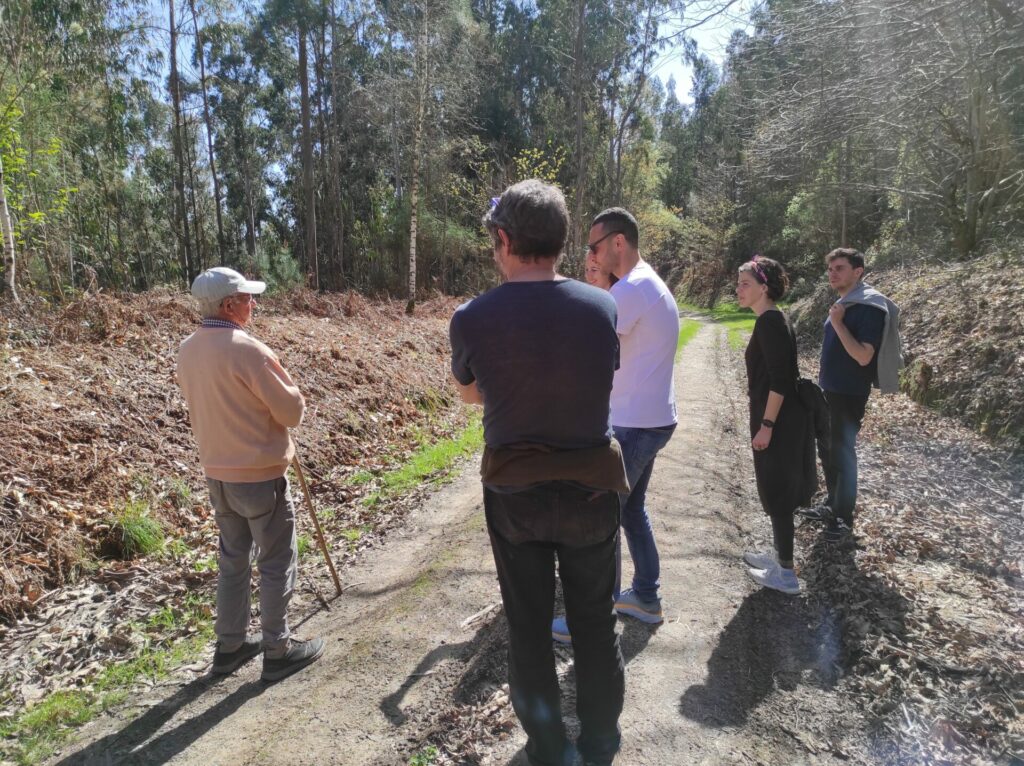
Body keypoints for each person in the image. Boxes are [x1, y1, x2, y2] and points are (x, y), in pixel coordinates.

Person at [449, 180, 627, 766]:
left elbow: (471, 396)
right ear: (560, 240)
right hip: (592, 488)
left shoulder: (471, 318)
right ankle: (600, 745)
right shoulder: (603, 306)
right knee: (595, 624)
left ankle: (550, 751)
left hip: (515, 489)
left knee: (527, 627)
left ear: (503, 239)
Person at [177, 267, 325, 682]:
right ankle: (277, 649)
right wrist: (294, 393)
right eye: (246, 297)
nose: (252, 303)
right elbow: (291, 413)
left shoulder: (187, 350)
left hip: (217, 476)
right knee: (276, 560)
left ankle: (230, 646)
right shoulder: (249, 350)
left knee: (233, 561)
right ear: (228, 305)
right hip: (260, 476)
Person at [553, 207, 679, 641]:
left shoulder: (635, 287)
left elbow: (580, 337)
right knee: (631, 511)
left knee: (600, 520)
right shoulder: (640, 285)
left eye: (594, 246)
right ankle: (644, 596)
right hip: (648, 419)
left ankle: (591, 618)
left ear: (618, 243)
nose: (590, 254)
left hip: (634, 426)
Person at [800, 248, 902, 542]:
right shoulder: (846, 302)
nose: (832, 273)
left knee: (843, 455)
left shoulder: (868, 306)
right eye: (830, 269)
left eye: (840, 268)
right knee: (829, 452)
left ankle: (843, 521)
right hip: (831, 389)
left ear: (858, 272)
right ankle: (832, 505)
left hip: (849, 392)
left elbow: (862, 356)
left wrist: (838, 324)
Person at [735, 256, 810, 594]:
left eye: (746, 283)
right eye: (738, 283)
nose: (739, 289)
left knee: (777, 489)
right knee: (774, 485)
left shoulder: (770, 322)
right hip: (777, 417)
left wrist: (766, 425)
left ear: (764, 287)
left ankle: (786, 575)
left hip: (778, 420)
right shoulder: (771, 319)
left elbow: (781, 382)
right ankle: (781, 556)